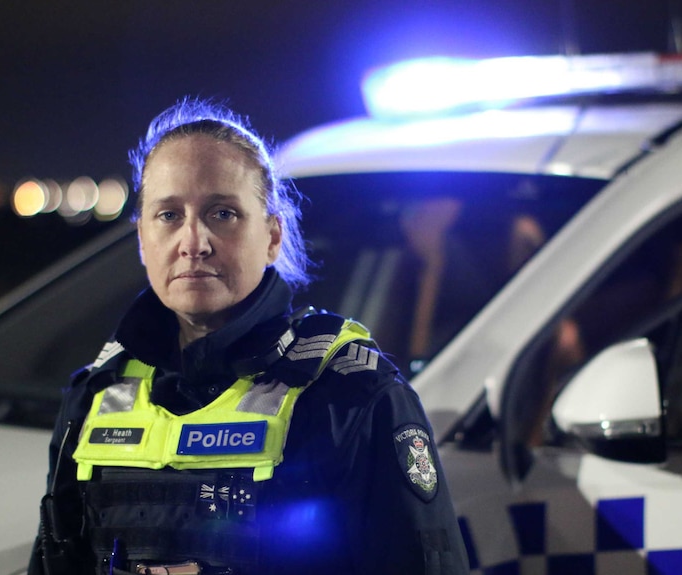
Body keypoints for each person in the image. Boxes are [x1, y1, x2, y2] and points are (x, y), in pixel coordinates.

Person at [28, 97, 470, 575]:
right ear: (142, 239)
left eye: (223, 213)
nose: (193, 242)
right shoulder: (94, 395)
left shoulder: (352, 395)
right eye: (169, 215)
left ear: (273, 235)